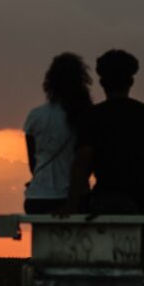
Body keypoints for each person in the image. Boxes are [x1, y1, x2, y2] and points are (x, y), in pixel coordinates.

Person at [68, 49, 144, 271]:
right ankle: (142, 268)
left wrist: (74, 201)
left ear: (103, 83)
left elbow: (82, 163)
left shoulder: (92, 117)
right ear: (131, 81)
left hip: (106, 198)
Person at [23, 53, 93, 214]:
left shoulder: (35, 116)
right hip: (73, 199)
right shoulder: (85, 115)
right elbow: (86, 163)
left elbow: (33, 163)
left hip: (37, 198)